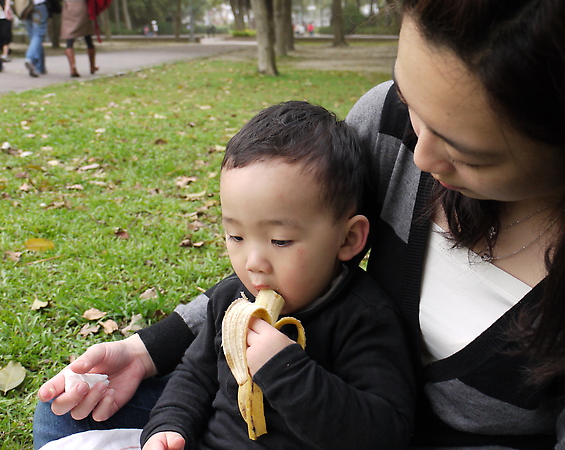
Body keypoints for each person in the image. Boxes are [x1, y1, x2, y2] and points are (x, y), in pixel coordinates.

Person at [34, 0, 565, 447]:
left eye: (466, 152)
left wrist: (284, 369)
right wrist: (153, 380)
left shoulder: (362, 320)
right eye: (411, 103)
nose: (418, 154)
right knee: (67, 412)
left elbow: (380, 426)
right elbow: (200, 368)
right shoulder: (384, 129)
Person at [141, 101, 415, 449]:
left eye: (280, 241)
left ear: (347, 239)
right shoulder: (230, 298)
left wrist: (285, 368)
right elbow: (195, 373)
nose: (253, 262)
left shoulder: (364, 318)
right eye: (236, 236)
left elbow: (385, 431)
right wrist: (169, 426)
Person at [60, 0, 98, 78]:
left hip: (68, 8)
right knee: (88, 37)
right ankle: (92, 66)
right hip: (82, 7)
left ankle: (72, 68)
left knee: (69, 40)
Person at [23, 0, 48, 77]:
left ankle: (40, 67)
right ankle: (30, 58)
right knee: (38, 35)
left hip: (25, 7)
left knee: (34, 38)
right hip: (38, 5)